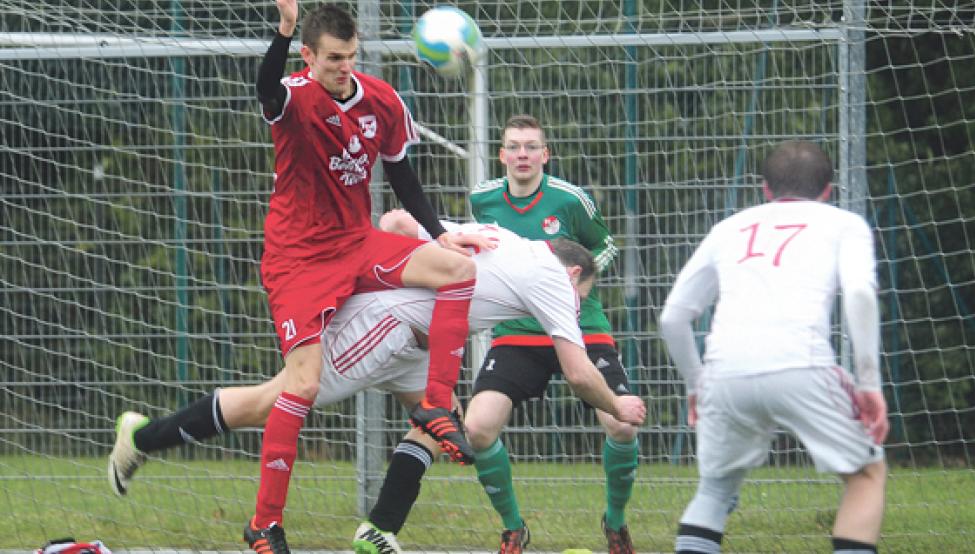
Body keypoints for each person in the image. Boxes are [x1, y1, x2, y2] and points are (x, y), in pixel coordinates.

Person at [108, 220, 647, 553]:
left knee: (441, 420)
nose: (576, 307)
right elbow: (578, 372)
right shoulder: (555, 277)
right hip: (384, 329)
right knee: (270, 404)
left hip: (414, 343)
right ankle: (142, 439)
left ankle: (380, 531)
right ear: (575, 276)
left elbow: (395, 219)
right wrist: (618, 403)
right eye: (582, 297)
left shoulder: (505, 240)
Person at [243, 0, 494, 551]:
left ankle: (434, 404)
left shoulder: (380, 99)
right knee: (303, 385)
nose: (344, 67)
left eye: (351, 56)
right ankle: (265, 523)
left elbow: (403, 174)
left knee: (457, 268)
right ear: (309, 56)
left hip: (356, 243)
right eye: (333, 58)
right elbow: (265, 86)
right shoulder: (294, 97)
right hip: (298, 259)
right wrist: (283, 29)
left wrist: (436, 233)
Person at [659, 140, 889, 554]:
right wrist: (870, 384)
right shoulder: (844, 223)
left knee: (713, 491)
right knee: (866, 475)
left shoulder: (729, 228)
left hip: (724, 371)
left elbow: (673, 317)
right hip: (802, 364)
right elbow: (861, 295)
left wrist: (697, 386)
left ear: (765, 189)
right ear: (828, 190)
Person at [464, 114, 637, 553]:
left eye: (532, 146)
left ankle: (615, 524)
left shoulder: (569, 199)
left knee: (621, 425)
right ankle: (513, 528)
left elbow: (607, 244)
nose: (523, 154)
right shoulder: (482, 200)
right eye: (515, 147)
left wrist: (579, 286)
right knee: (478, 427)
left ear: (546, 155)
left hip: (579, 327)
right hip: (519, 332)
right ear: (502, 154)